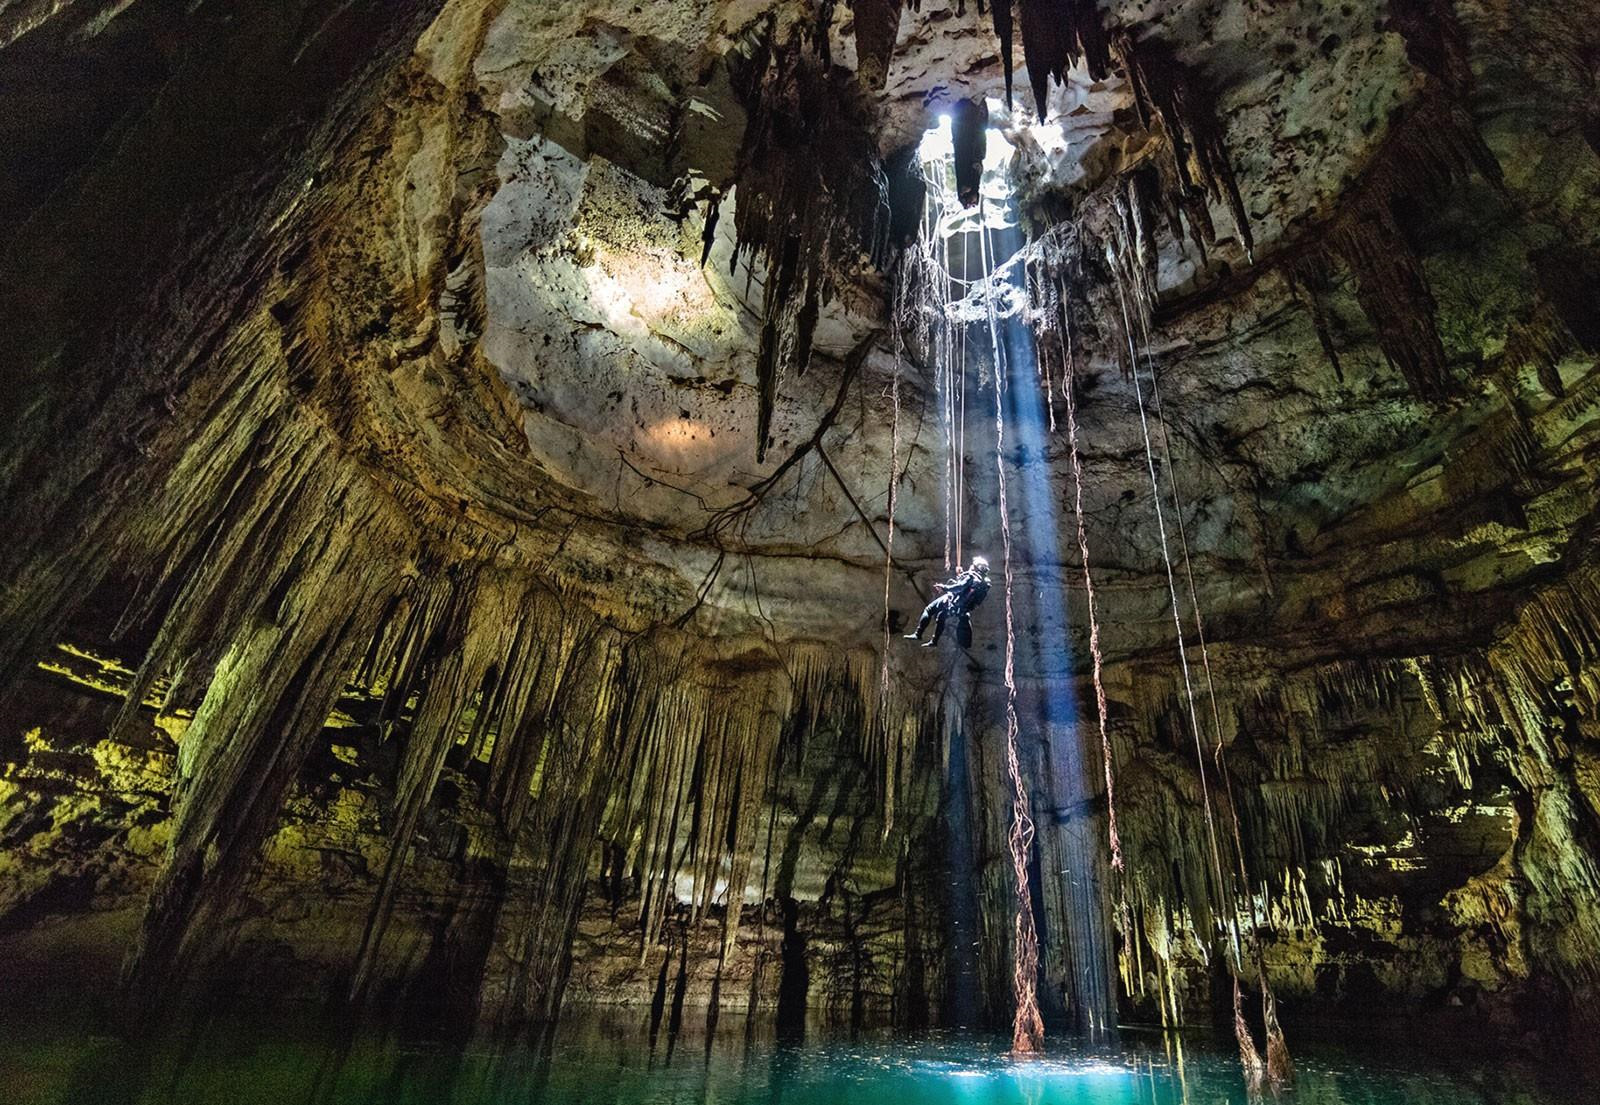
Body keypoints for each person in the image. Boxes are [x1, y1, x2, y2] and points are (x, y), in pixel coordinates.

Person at [904, 557, 991, 648]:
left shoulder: (971, 576)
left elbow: (960, 587)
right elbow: (968, 590)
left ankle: (918, 634)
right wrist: (961, 574)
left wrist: (945, 588)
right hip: (962, 609)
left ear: (976, 567)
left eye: (972, 565)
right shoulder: (983, 583)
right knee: (941, 616)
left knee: (929, 609)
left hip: (952, 601)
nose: (971, 566)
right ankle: (934, 641)